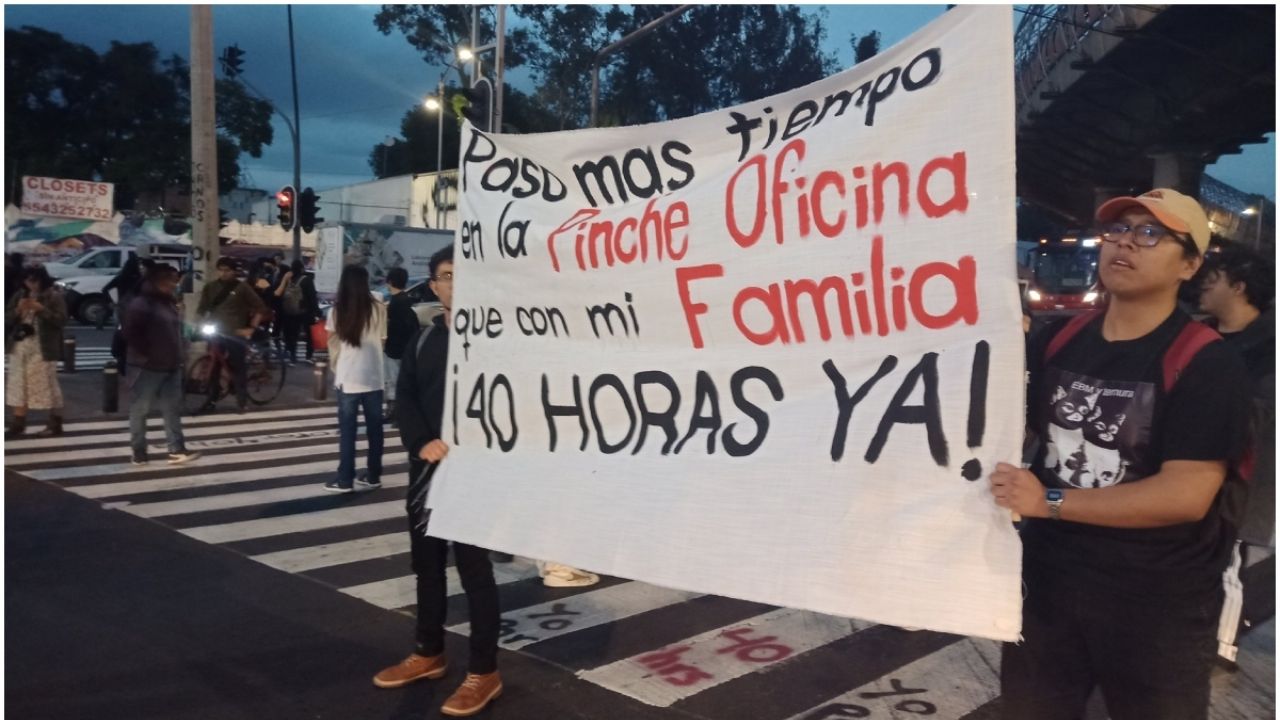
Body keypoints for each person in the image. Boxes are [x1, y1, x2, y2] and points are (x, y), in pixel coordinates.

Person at [990, 188, 1251, 720]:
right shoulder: (1058, 339)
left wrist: (1051, 501)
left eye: (1150, 233)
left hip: (1156, 604)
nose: (1125, 243)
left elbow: (1186, 494)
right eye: (1116, 230)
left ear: (1190, 264)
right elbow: (1019, 432)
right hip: (1048, 587)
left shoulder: (1206, 362)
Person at [376, 245, 503, 717]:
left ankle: (484, 671)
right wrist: (420, 441)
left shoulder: (499, 341)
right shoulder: (425, 340)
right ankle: (428, 651)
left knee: (475, 574)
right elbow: (404, 395)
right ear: (434, 285)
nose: (457, 284)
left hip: (475, 477)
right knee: (426, 568)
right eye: (448, 276)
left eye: (466, 275)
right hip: (426, 474)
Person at [1197, 243, 1275, 660]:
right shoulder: (1198, 335)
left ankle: (1220, 647)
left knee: (1229, 559)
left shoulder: (1269, 348)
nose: (1204, 286)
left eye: (1215, 279)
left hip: (1239, 479)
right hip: (1188, 471)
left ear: (1240, 287)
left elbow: (1263, 417)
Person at [123, 264, 200, 466]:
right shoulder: (142, 303)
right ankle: (138, 452)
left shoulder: (168, 303)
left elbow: (176, 331)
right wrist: (148, 353)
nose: (174, 285)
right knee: (141, 409)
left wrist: (181, 349)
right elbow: (131, 332)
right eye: (170, 281)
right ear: (157, 281)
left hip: (170, 364)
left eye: (174, 280)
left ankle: (176, 449)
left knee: (172, 408)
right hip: (146, 366)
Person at [323, 264, 386, 494]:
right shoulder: (379, 308)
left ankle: (345, 479)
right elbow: (383, 339)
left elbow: (332, 344)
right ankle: (373, 475)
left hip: (348, 377)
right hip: (374, 376)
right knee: (375, 430)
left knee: (348, 431)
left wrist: (335, 367)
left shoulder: (337, 311)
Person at [196, 257, 267, 413]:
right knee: (214, 367)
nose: (223, 273)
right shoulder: (210, 287)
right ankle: (212, 399)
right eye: (221, 269)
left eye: (227, 270)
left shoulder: (242, 288)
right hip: (215, 332)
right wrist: (200, 324)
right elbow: (202, 309)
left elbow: (260, 307)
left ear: (234, 271)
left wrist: (251, 328)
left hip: (235, 333)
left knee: (238, 367)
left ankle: (242, 401)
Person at [5, 266, 68, 438]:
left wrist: (41, 309)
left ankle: (55, 422)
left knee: (45, 385)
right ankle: (18, 423)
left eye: (34, 280)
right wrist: (18, 310)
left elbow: (61, 320)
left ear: (42, 279)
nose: (30, 284)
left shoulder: (53, 296)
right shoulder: (20, 295)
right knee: (18, 385)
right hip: (20, 346)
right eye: (27, 280)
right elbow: (7, 318)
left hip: (43, 348)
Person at [382, 267, 419, 424]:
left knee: (393, 381)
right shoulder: (406, 301)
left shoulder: (395, 303)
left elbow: (391, 327)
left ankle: (396, 413)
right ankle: (396, 412)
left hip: (394, 348)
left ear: (390, 281)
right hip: (405, 347)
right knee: (400, 381)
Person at [276, 259, 320, 365]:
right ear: (302, 268)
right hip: (306, 311)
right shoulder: (307, 280)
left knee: (292, 335)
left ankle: (292, 358)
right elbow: (312, 297)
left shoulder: (289, 280)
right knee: (309, 335)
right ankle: (308, 356)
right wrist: (317, 311)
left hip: (291, 312)